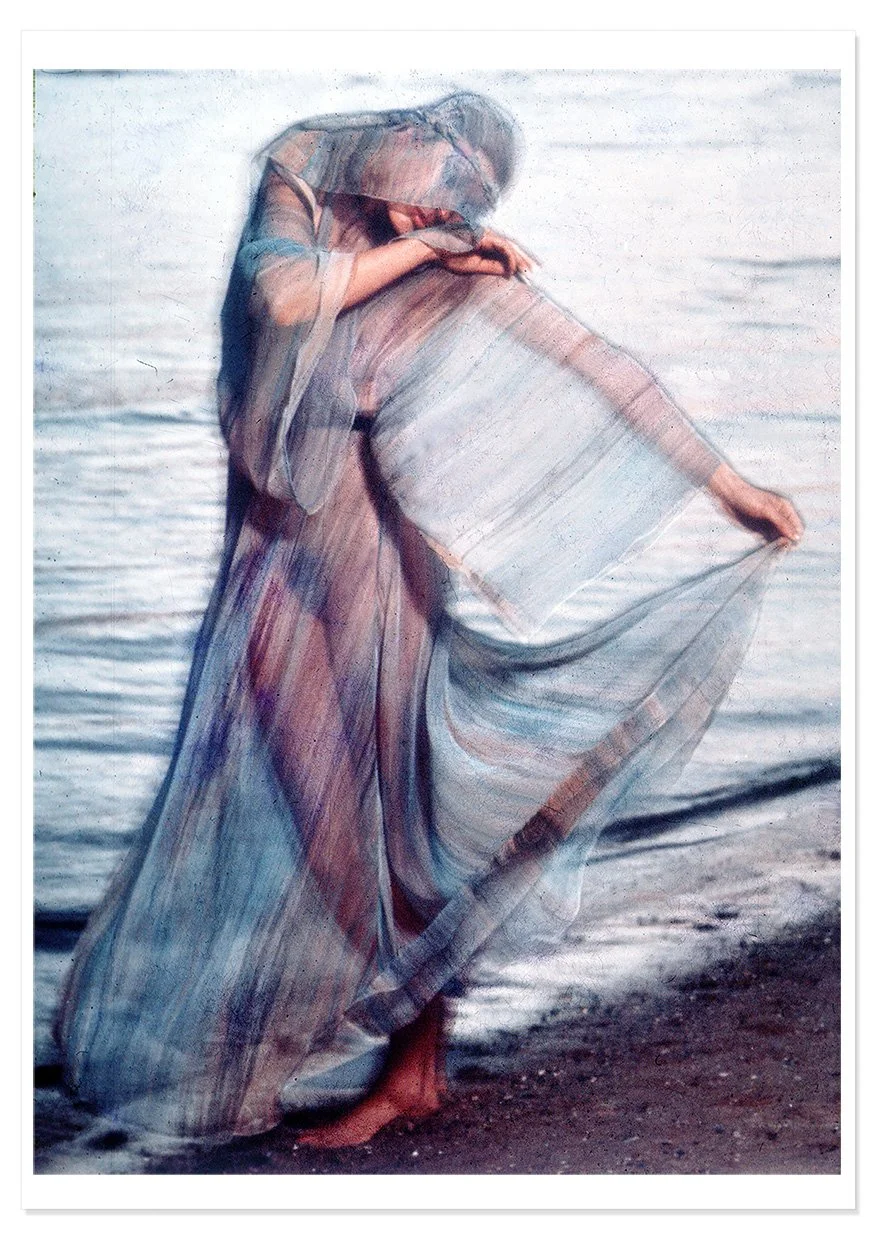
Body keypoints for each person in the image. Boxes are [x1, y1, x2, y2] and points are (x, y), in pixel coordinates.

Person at [54, 91, 803, 1149]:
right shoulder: (305, 180)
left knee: (397, 819)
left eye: (456, 210)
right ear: (396, 157)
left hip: (380, 556)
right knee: (307, 817)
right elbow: (283, 300)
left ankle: (409, 1070)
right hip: (275, 558)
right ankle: (342, 1051)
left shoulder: (441, 247)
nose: (434, 222)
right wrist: (428, 255)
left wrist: (727, 483)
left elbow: (592, 362)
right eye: (426, 205)